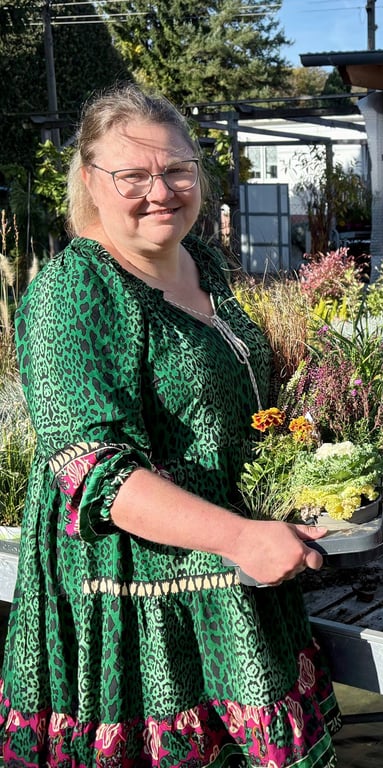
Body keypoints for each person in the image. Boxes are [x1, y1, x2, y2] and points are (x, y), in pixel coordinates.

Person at [0, 83, 341, 766]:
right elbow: (95, 474)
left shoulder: (201, 262)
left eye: (177, 169)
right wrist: (243, 536)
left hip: (239, 573)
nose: (161, 190)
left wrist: (316, 462)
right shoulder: (77, 291)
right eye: (133, 174)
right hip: (138, 597)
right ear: (91, 183)